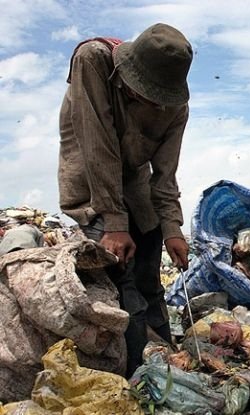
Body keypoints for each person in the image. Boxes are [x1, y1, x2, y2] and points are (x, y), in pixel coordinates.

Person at [58, 23, 193, 375]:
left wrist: (173, 228)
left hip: (136, 185)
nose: (153, 103)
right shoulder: (94, 61)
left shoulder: (175, 105)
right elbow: (97, 145)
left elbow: (165, 174)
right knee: (123, 281)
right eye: (145, 93)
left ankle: (169, 358)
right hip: (91, 183)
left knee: (150, 277)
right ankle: (138, 373)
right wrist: (115, 223)